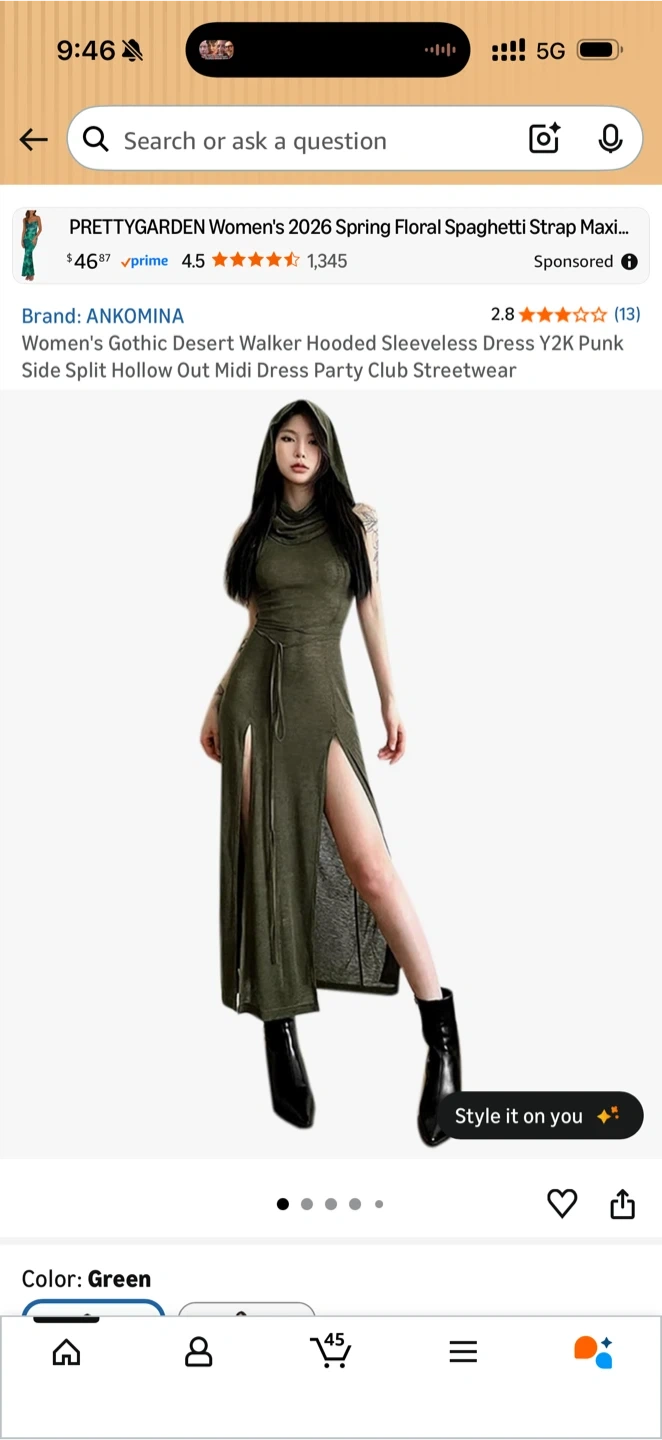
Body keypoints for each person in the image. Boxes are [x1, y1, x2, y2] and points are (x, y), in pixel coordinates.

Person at [200, 401, 461, 1146]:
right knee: (268, 868)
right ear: (272, 450)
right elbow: (254, 627)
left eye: (312, 439)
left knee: (371, 867)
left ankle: (441, 1032)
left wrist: (391, 699)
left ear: (328, 449)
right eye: (287, 438)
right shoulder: (252, 532)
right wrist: (216, 699)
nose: (300, 449)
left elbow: (371, 612)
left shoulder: (357, 522)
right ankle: (278, 1031)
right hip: (254, 702)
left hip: (324, 696)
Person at [21, 209, 41, 281]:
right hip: (26, 239)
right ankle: (29, 274)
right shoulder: (25, 219)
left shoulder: (37, 217)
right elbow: (24, 230)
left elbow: (40, 229)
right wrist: (21, 240)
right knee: (27, 255)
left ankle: (30, 274)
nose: (32, 209)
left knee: (28, 254)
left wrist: (35, 238)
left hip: (33, 239)